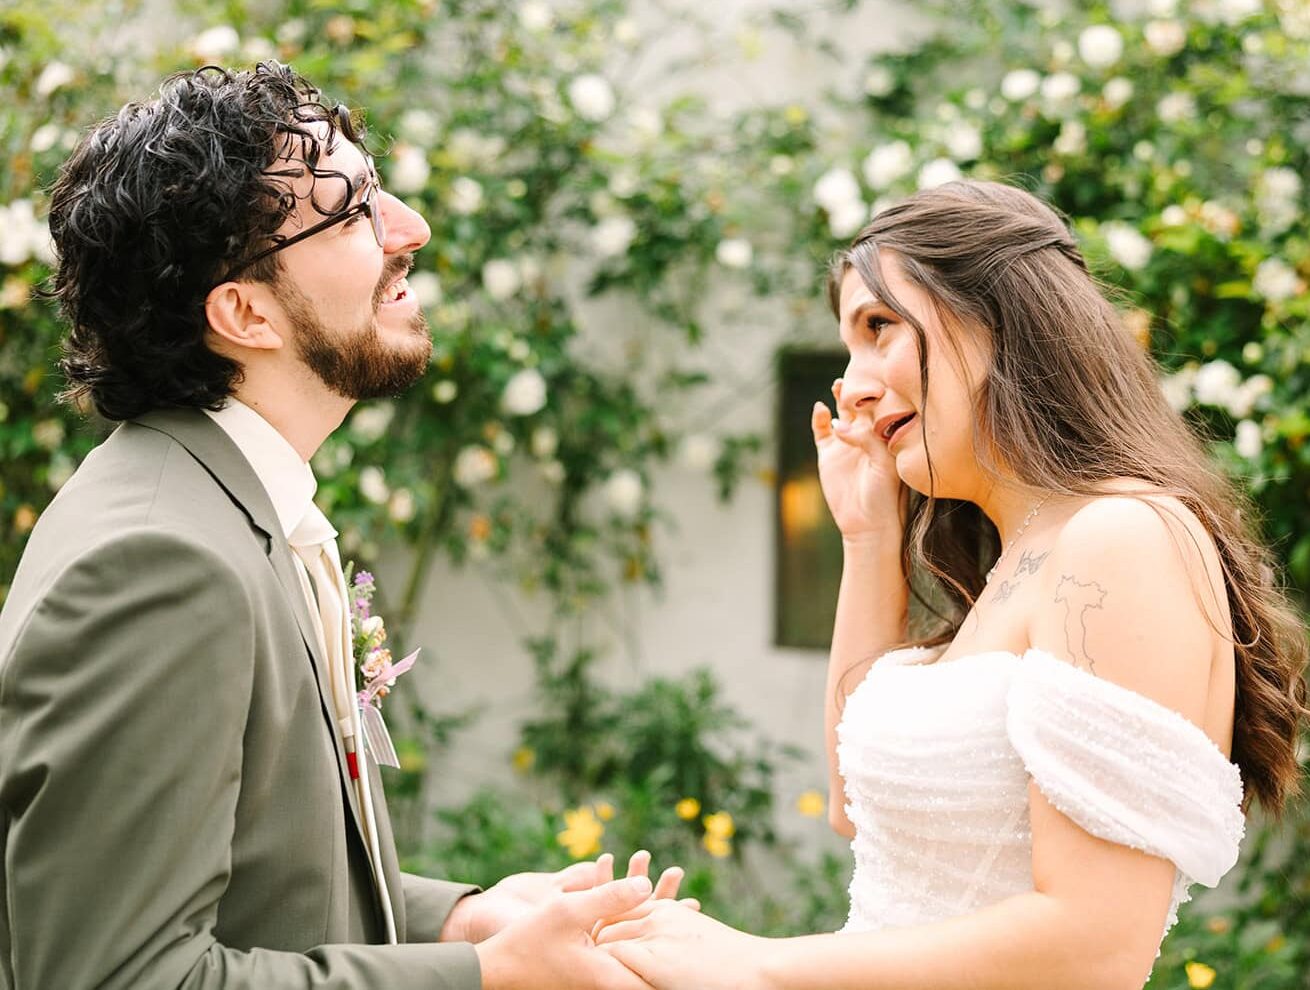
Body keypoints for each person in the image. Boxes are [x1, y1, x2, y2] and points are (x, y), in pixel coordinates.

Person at [0, 61, 681, 989]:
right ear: (243, 312)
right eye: (354, 210)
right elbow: (121, 976)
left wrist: (464, 916)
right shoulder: (157, 562)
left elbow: (263, 880)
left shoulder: (219, 502)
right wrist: (485, 976)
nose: (412, 229)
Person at [595, 180, 1310, 989]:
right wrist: (867, 542)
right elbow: (854, 812)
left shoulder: (1123, 536)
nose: (854, 385)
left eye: (880, 328)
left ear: (999, 320)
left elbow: (1096, 941)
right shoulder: (1017, 560)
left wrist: (755, 965)